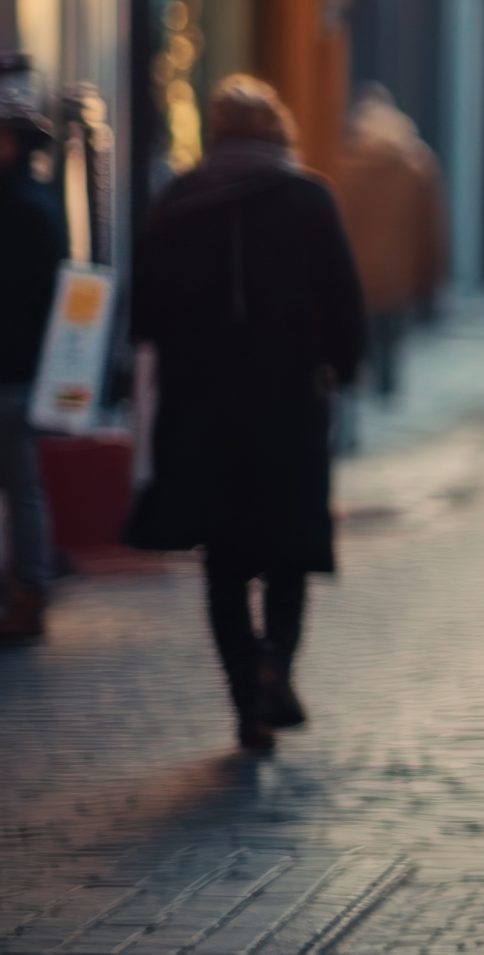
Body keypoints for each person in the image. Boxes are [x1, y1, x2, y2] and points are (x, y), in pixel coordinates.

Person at [123, 76, 365, 750]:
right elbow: (345, 302)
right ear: (278, 131)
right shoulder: (310, 198)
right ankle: (274, 661)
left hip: (202, 410)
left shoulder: (175, 202)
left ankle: (244, 702)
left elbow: (143, 311)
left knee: (223, 558)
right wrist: (341, 371)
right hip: (289, 403)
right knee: (288, 547)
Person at [0, 65, 64, 644]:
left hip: (15, 371)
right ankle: (28, 586)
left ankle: (29, 587)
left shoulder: (25, 207)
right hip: (22, 369)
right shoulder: (39, 203)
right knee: (24, 486)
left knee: (22, 486)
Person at [336, 85, 445, 399]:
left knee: (363, 334)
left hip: (358, 271)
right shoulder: (417, 163)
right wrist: (431, 277)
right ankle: (387, 382)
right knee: (392, 332)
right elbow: (430, 226)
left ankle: (365, 382)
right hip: (399, 274)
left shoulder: (344, 162)